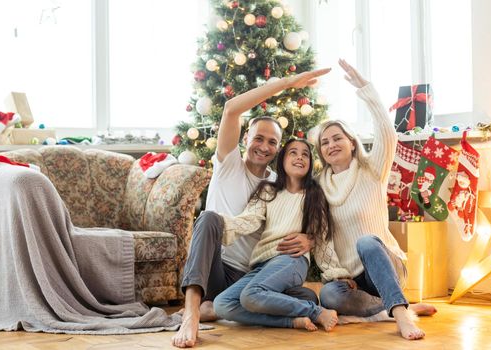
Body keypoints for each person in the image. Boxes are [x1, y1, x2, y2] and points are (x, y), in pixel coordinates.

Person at [172, 68, 331, 348]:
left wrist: (311, 238)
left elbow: (306, 215)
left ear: (278, 150)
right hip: (216, 270)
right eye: (258, 138)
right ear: (245, 138)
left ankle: (217, 309)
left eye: (272, 142)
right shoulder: (228, 163)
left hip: (251, 277)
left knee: (306, 298)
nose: (264, 146)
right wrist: (287, 83)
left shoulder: (275, 184)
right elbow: (231, 109)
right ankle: (193, 313)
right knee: (209, 218)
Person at [314, 59, 435, 341]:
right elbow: (320, 236)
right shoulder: (318, 186)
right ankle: (394, 306)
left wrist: (366, 89)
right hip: (351, 278)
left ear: (352, 142)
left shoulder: (372, 170)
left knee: (366, 241)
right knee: (330, 296)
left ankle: (402, 316)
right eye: (325, 142)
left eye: (337, 138)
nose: (331, 145)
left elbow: (387, 132)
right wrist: (337, 273)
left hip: (384, 266)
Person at [213, 139, 338, 332]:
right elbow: (249, 220)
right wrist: (220, 223)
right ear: (282, 160)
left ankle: (315, 311)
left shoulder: (314, 194)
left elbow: (322, 237)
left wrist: (335, 273)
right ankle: (292, 320)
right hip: (263, 263)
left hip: (292, 259)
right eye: (293, 153)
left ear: (310, 163)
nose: (300, 157)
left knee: (251, 295)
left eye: (305, 154)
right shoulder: (267, 190)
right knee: (223, 304)